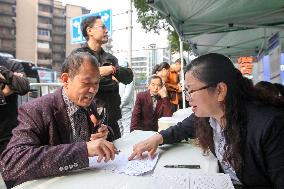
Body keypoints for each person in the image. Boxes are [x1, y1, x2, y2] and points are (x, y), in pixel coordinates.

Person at [129, 53, 284, 188]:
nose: (188, 99)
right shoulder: (209, 116)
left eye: (191, 90)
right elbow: (182, 128)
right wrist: (157, 138)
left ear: (220, 90)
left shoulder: (270, 125)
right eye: (186, 91)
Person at [0, 52, 116, 188]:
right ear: (66, 80)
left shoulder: (90, 104)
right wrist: (83, 150)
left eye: (96, 83)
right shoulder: (36, 110)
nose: (92, 90)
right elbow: (12, 164)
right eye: (86, 82)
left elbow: (97, 135)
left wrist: (105, 133)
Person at [71, 15, 133, 140]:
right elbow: (79, 80)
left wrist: (111, 69)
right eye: (103, 27)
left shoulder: (110, 58)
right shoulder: (78, 55)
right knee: (89, 155)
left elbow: (128, 77)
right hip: (88, 120)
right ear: (89, 31)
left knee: (116, 153)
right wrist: (108, 79)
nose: (106, 31)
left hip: (112, 119)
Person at [0, 57, 30, 153]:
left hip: (7, 132)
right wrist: (3, 92)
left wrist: (4, 71)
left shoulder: (12, 64)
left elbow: (23, 87)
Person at [118, 60, 134, 136]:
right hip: (125, 107)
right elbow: (127, 95)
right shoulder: (129, 77)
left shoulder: (116, 77)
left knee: (120, 129)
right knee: (127, 130)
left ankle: (120, 147)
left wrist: (118, 105)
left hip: (119, 107)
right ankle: (125, 147)